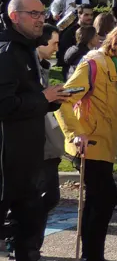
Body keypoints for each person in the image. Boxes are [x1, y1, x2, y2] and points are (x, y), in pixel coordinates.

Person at [57, 24, 117, 261]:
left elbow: (105, 102)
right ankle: (92, 259)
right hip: (89, 145)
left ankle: (92, 257)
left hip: (104, 144)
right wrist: (75, 133)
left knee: (100, 201)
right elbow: (64, 100)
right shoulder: (93, 64)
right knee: (103, 200)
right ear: (116, 43)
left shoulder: (112, 67)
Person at [0, 0, 71, 261]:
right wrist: (43, 97)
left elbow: (28, 100)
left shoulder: (27, 51)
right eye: (34, 14)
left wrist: (53, 99)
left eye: (43, 13)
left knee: (31, 225)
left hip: (28, 159)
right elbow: (4, 106)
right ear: (15, 17)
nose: (41, 18)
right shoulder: (6, 53)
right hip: (5, 163)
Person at [37, 25, 65, 218]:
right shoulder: (27, 68)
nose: (57, 48)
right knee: (43, 198)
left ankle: (30, 244)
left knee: (48, 198)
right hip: (37, 145)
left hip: (47, 145)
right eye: (54, 43)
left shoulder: (43, 67)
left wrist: (55, 100)